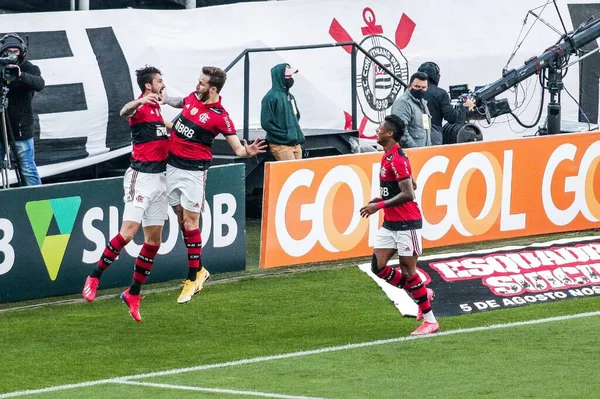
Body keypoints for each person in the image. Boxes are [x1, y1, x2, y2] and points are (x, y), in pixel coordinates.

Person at [162, 66, 266, 304]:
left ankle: (192, 278)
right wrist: (166, 98)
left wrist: (247, 151)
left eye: (201, 83)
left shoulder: (220, 116)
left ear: (213, 89)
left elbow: (238, 149)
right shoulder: (193, 97)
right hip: (172, 167)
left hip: (193, 173)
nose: (197, 86)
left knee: (190, 222)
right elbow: (182, 102)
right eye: (198, 81)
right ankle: (200, 270)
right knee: (180, 219)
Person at [82, 65, 170, 322]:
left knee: (153, 242)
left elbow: (171, 128)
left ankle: (133, 293)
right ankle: (95, 276)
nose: (163, 85)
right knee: (129, 233)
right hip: (140, 178)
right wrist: (140, 100)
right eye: (160, 81)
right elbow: (124, 111)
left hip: (160, 180)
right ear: (148, 86)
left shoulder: (157, 109)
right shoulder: (140, 106)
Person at [360, 114, 439, 336]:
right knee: (378, 267)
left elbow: (409, 192)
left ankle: (431, 321)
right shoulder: (388, 157)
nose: (377, 130)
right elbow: (411, 183)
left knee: (407, 271)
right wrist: (381, 198)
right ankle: (424, 292)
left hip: (407, 224)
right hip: (391, 224)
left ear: (390, 133)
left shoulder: (397, 160)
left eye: (380, 128)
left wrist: (381, 205)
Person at [0, 33, 45, 186]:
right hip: (1, 127)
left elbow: (39, 84)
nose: (12, 55)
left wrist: (20, 75)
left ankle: (38, 203)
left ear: (22, 52)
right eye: (8, 51)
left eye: (15, 51)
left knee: (27, 168)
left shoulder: (28, 67)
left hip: (21, 128)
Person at [417, 62, 475, 145]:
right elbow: (453, 118)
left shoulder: (410, 92)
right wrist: (465, 107)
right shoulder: (440, 93)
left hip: (414, 137)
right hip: (432, 138)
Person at [260, 63, 305, 161]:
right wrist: (285, 135)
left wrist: (295, 134)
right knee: (290, 173)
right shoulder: (270, 98)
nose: (290, 79)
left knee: (299, 172)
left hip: (295, 144)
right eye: (288, 76)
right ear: (280, 78)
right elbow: (266, 123)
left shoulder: (290, 96)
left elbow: (296, 116)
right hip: (281, 145)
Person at [391, 72, 432, 148]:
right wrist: (415, 149)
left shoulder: (423, 103)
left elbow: (427, 129)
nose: (420, 90)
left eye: (423, 88)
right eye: (417, 86)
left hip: (424, 152)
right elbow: (400, 130)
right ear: (409, 86)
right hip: (410, 153)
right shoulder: (403, 103)